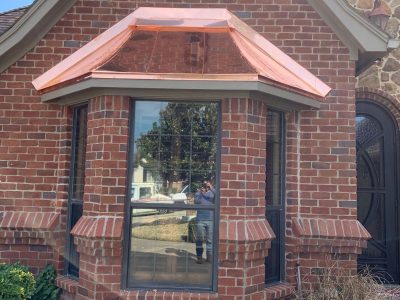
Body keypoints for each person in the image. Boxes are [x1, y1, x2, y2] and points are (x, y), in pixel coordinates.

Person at [194, 180, 215, 264]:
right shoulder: (198, 193)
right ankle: (199, 257)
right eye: (204, 184)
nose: (206, 186)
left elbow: (219, 196)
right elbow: (196, 202)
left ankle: (209, 257)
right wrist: (200, 192)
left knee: (210, 240)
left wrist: (211, 188)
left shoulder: (213, 193)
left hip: (211, 220)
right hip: (200, 220)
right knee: (199, 239)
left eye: (207, 184)